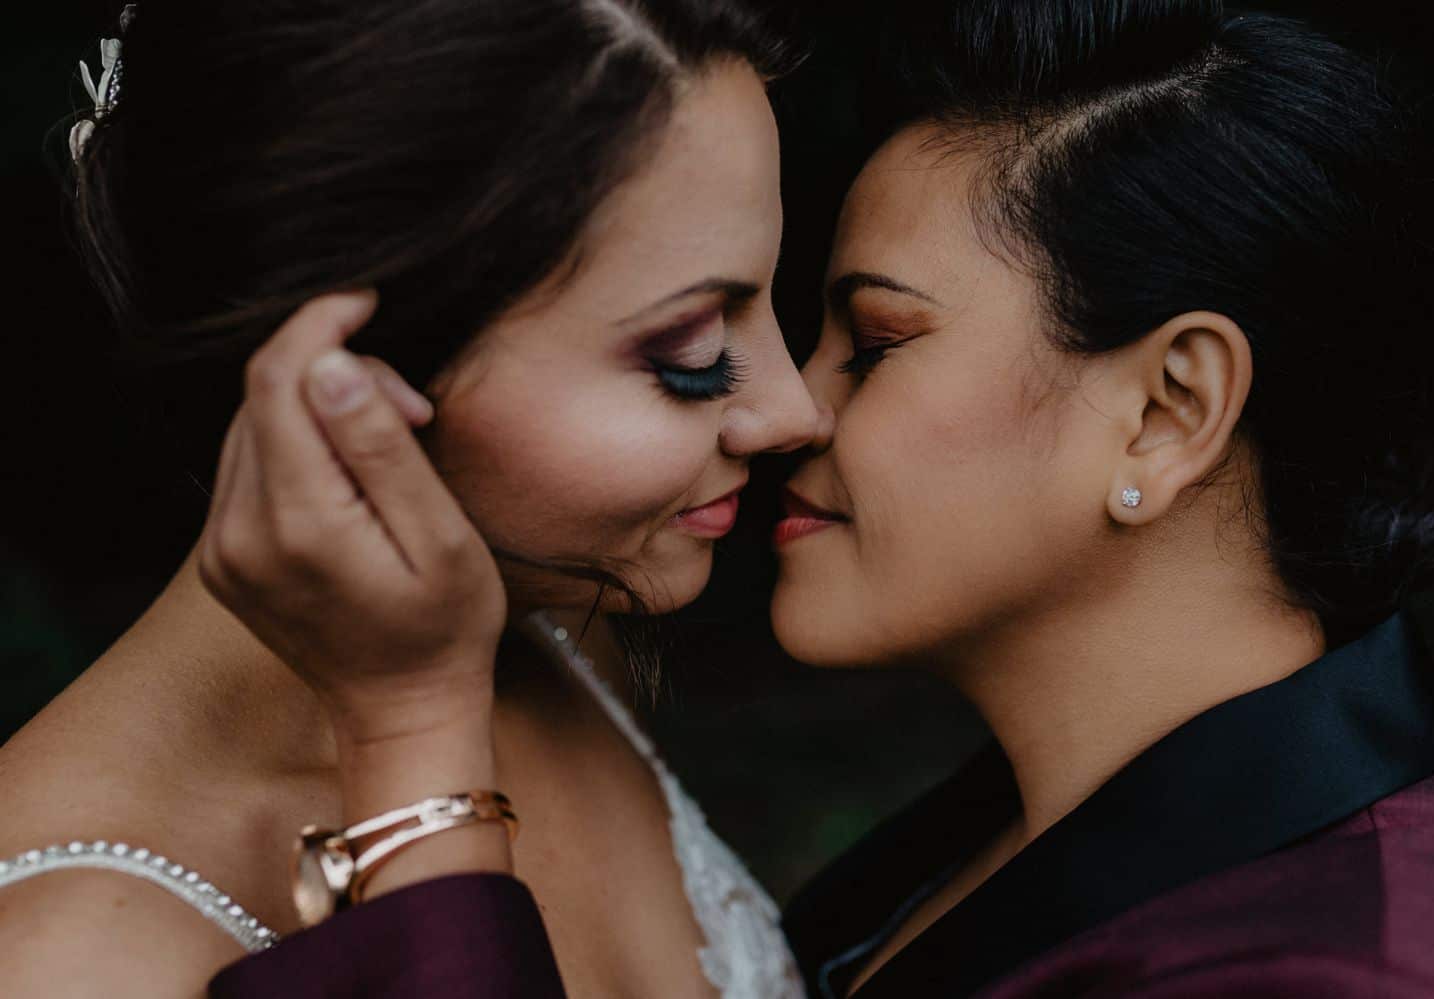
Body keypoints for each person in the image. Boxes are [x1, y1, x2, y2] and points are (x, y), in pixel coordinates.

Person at [191, 1, 1434, 996]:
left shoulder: (1355, 965)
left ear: (1169, 409)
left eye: (872, 343)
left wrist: (414, 733)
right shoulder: (1054, 814)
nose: (790, 411)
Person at [0, 1, 821, 997]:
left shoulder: (552, 616)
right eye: (687, 354)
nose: (793, 411)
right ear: (347, 373)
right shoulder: (70, 957)